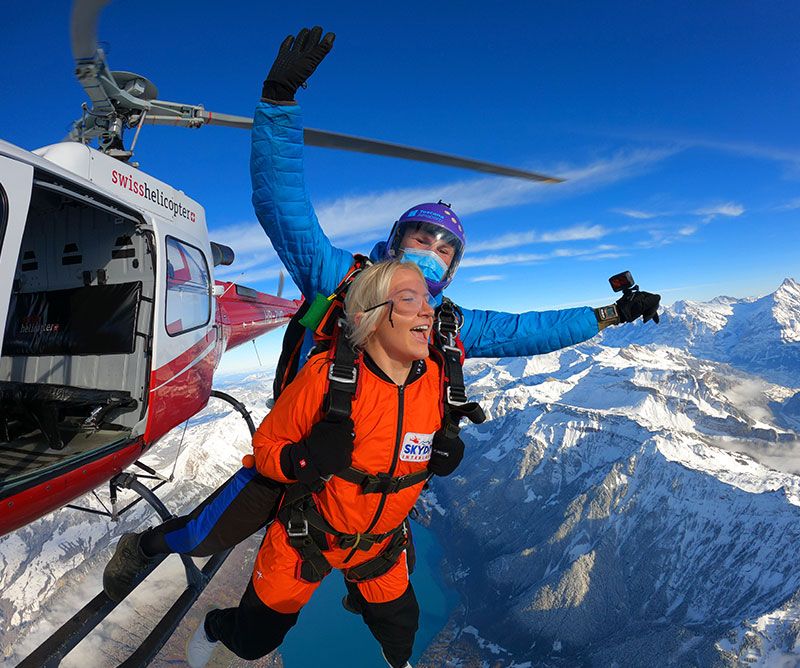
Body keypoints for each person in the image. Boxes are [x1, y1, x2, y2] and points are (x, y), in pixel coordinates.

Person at [103, 27, 660, 603]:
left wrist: (610, 314)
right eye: (423, 237)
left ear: (453, 268)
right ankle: (145, 548)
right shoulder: (340, 277)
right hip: (303, 443)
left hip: (374, 460)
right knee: (206, 532)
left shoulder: (446, 323)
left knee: (376, 547)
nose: (433, 252)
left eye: (446, 249)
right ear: (396, 242)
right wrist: (278, 100)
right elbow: (281, 205)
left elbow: (527, 332)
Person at [186, 260, 463, 668]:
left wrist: (450, 441)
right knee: (251, 643)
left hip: (380, 546)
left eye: (427, 299)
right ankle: (214, 625)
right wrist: (304, 459)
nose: (428, 309)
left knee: (402, 633)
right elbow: (266, 451)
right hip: (306, 539)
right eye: (410, 299)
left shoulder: (439, 378)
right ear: (369, 318)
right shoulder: (324, 378)